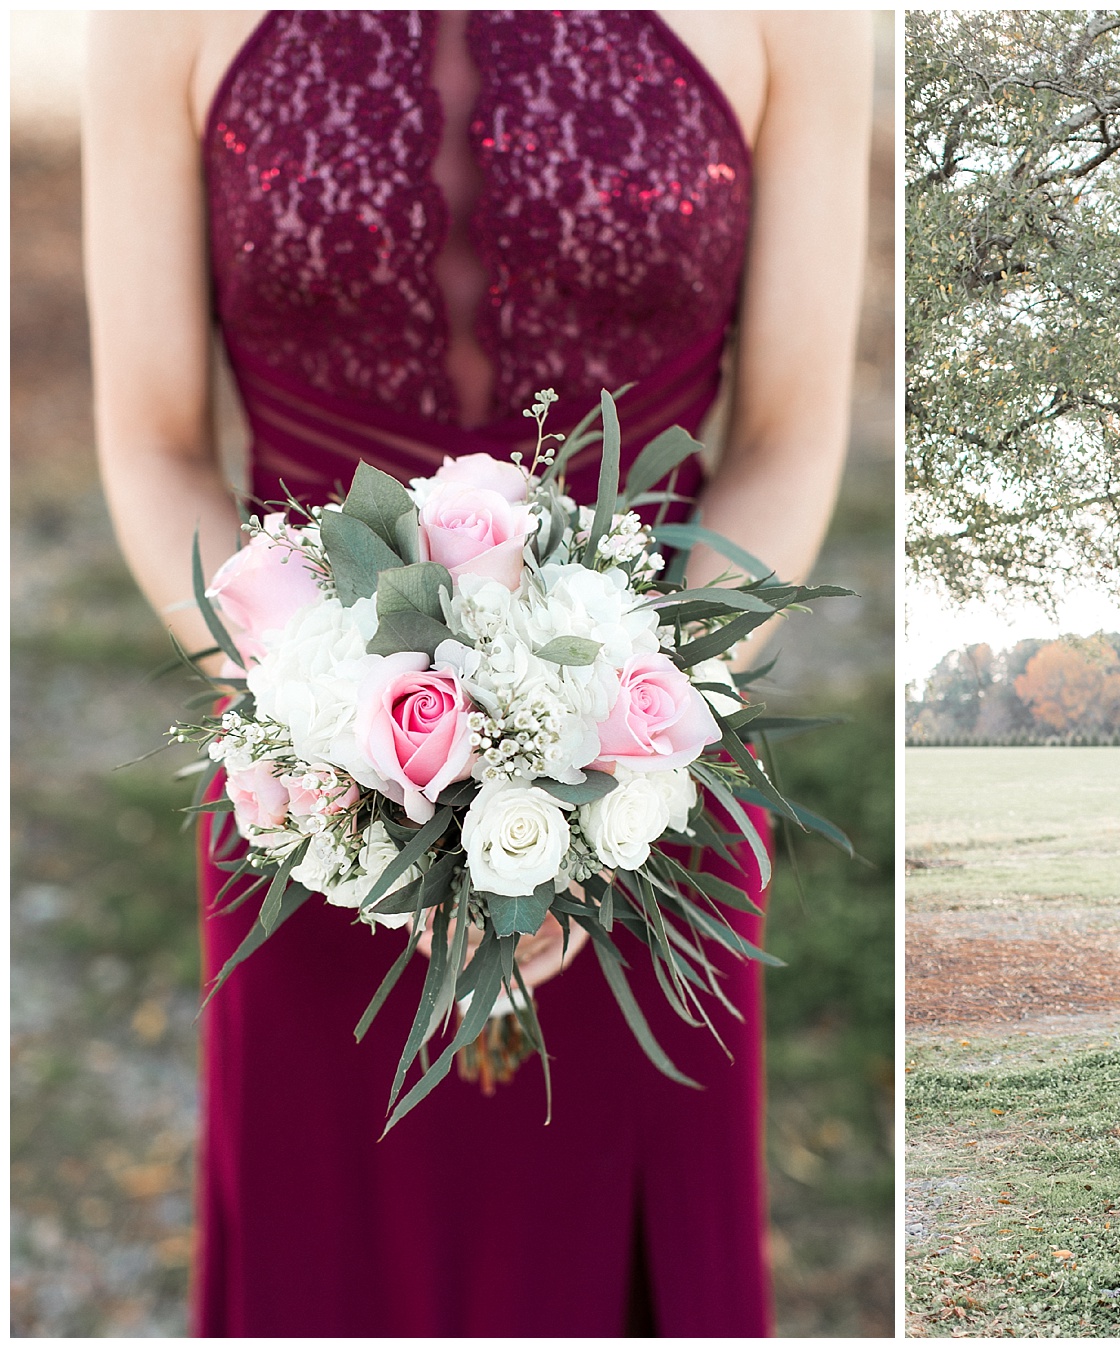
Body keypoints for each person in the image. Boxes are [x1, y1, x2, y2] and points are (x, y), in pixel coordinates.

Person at [83, 11, 870, 1335]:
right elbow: (155, 442)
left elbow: (788, 432)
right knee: (324, 1265)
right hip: (309, 806)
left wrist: (622, 744)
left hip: (648, 801)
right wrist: (322, 730)